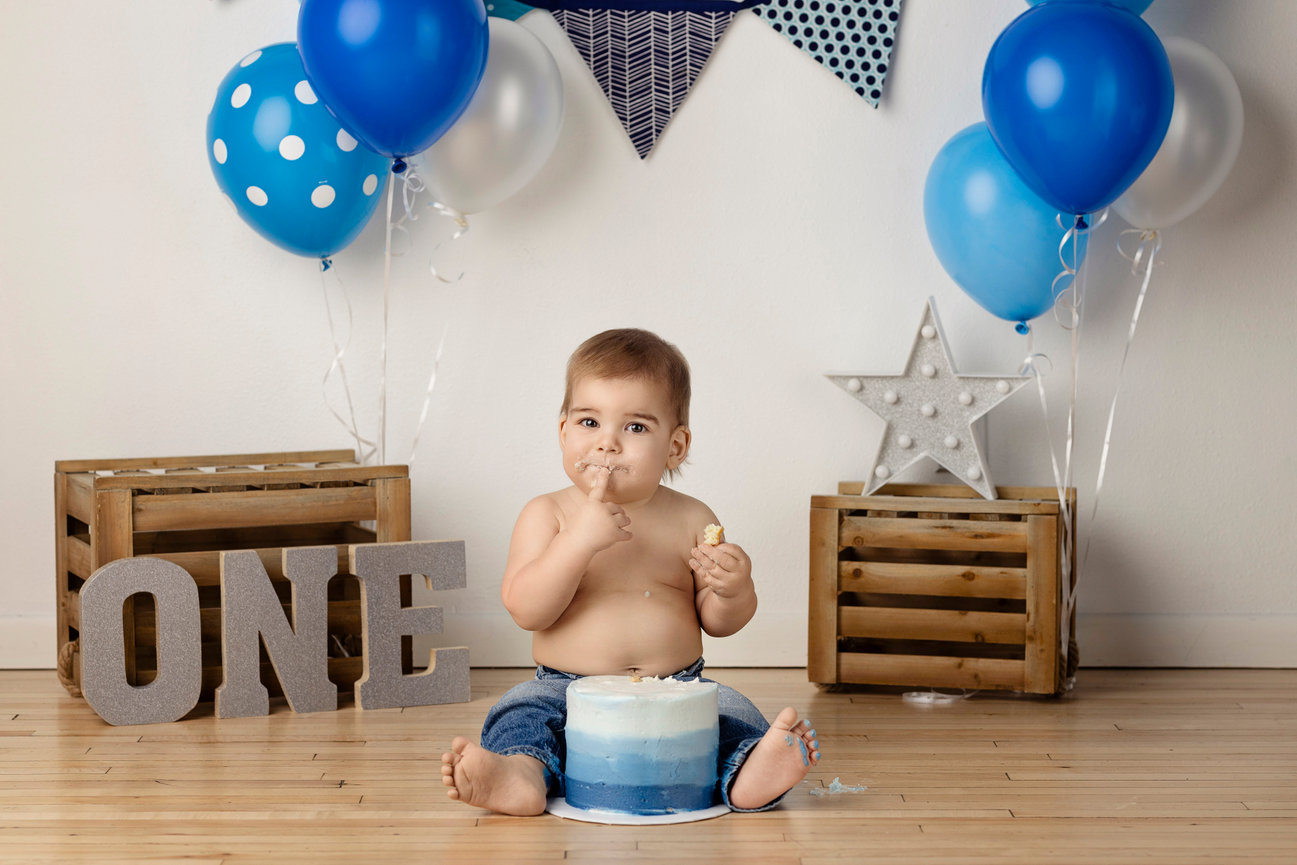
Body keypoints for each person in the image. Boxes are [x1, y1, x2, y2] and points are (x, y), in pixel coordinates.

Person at [441, 328, 820, 815]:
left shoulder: (692, 517)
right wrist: (577, 542)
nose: (608, 444)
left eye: (636, 428)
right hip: (564, 689)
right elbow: (526, 610)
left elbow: (718, 622)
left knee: (732, 710)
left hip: (679, 689)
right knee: (520, 709)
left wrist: (733, 590)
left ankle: (748, 772)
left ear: (675, 446)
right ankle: (522, 772)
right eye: (589, 422)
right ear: (563, 432)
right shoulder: (548, 513)